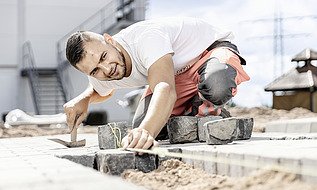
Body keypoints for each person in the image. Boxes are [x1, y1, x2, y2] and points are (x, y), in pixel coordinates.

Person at [64, 17, 250, 152]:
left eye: (104, 57)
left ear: (111, 40)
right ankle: (197, 108)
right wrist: (84, 99)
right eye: (95, 71)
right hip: (175, 75)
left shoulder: (146, 38)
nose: (106, 69)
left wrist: (145, 132)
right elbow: (99, 89)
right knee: (150, 125)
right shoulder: (99, 70)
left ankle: (211, 108)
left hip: (208, 53)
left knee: (216, 87)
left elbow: (165, 89)